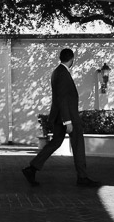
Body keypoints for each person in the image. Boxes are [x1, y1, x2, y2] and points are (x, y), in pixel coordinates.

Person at [22, 48, 100, 188]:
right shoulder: (63, 74)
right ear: (72, 59)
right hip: (67, 116)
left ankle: (32, 168)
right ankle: (82, 177)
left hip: (59, 116)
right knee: (78, 144)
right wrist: (68, 121)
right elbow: (63, 98)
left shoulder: (57, 72)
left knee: (55, 143)